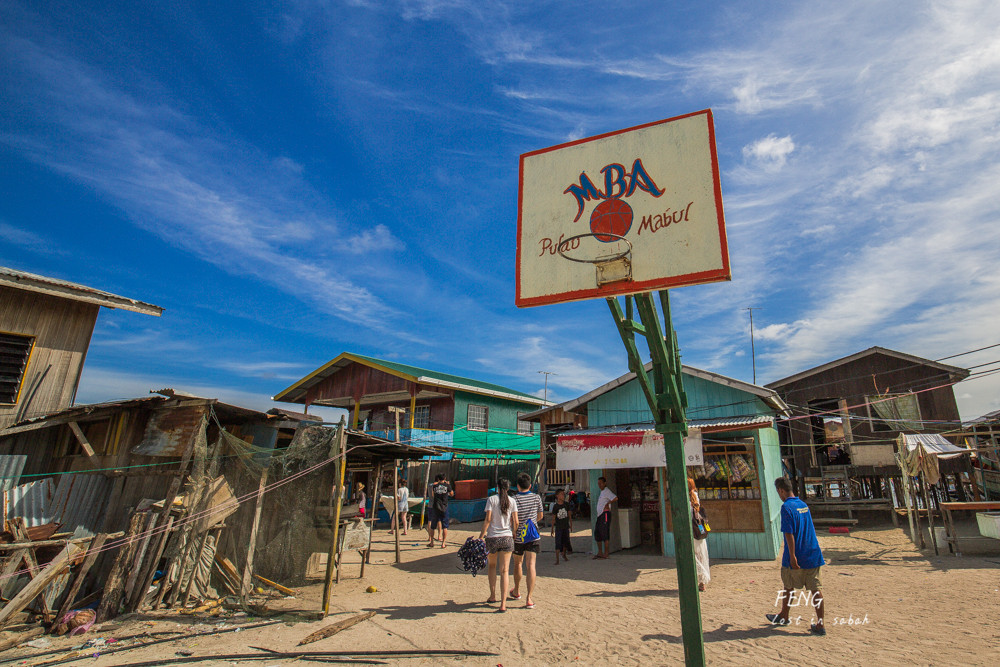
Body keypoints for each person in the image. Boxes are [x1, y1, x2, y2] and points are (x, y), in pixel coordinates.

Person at [767, 476, 827, 635]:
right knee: (815, 589)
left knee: (788, 586)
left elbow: (789, 534)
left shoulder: (786, 507)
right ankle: (820, 624)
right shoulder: (803, 505)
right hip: (813, 553)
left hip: (797, 554)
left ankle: (784, 615)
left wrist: (792, 556)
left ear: (781, 491)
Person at [478, 478, 518, 612]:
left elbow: (488, 519)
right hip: (506, 537)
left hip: (492, 537)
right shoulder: (512, 501)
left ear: (498, 487)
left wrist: (481, 536)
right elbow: (516, 521)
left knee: (492, 566)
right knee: (505, 571)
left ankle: (493, 595)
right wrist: (513, 533)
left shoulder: (491, 499)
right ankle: (503, 603)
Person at [510, 473, 543, 609]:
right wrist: (532, 523)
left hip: (518, 536)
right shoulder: (536, 498)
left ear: (517, 486)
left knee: (518, 563)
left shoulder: (514, 499)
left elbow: (513, 519)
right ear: (530, 486)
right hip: (533, 535)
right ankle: (529, 598)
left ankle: (517, 590)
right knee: (531, 566)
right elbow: (540, 515)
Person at [688, 478, 710, 591]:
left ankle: (700, 578)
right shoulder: (695, 495)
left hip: (690, 529)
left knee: (692, 556)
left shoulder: (687, 497)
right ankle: (702, 581)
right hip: (698, 529)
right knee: (700, 555)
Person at [426, 473, 453, 548]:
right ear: (444, 478)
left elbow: (432, 495)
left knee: (433, 526)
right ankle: (443, 543)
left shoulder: (434, 486)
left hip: (435, 507)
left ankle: (431, 542)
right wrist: (448, 485)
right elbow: (451, 494)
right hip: (444, 507)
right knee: (445, 526)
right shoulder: (447, 486)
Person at [593, 477, 617, 559]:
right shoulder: (602, 492)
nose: (599, 485)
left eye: (601, 483)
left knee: (605, 532)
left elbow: (615, 498)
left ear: (605, 483)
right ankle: (600, 552)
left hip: (605, 514)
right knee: (597, 532)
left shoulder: (607, 491)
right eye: (598, 483)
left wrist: (608, 504)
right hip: (600, 515)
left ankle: (606, 553)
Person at [551, 488, 572, 565]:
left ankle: (564, 554)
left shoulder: (566, 504)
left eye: (564, 494)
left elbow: (569, 515)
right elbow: (553, 518)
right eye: (562, 494)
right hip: (559, 527)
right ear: (557, 496)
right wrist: (552, 529)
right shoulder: (556, 506)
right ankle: (557, 559)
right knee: (558, 543)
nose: (563, 496)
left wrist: (571, 524)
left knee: (566, 541)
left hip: (566, 526)